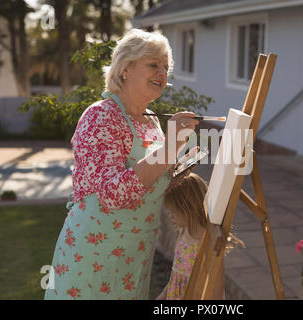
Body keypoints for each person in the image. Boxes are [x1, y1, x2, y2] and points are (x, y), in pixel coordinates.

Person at [44, 28, 198, 300]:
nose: (162, 73)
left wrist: (176, 170)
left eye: (165, 67)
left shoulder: (150, 121)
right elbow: (113, 195)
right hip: (93, 255)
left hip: (134, 255)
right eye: (153, 65)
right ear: (125, 68)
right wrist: (170, 147)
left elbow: (147, 178)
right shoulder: (100, 117)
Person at [156, 173, 244, 300]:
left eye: (173, 212)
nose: (170, 216)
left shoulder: (208, 239)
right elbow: (176, 275)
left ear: (188, 209)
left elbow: (217, 284)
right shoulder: (183, 230)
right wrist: (163, 295)